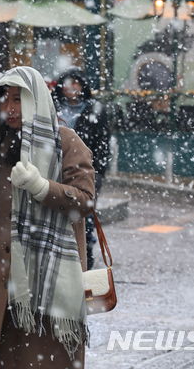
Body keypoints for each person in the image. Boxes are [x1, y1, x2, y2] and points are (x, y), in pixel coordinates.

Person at [0, 66, 95, 369]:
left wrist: (42, 187)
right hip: (0, 280)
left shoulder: (64, 141)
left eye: (18, 99)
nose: (9, 109)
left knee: (44, 359)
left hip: (48, 278)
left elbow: (85, 200)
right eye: (4, 99)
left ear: (35, 99)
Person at [54, 69, 112, 269]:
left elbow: (103, 143)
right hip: (57, 170)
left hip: (85, 171)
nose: (73, 88)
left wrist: (98, 172)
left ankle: (83, 259)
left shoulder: (94, 110)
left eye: (76, 83)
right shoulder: (54, 107)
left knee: (83, 216)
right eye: (69, 83)